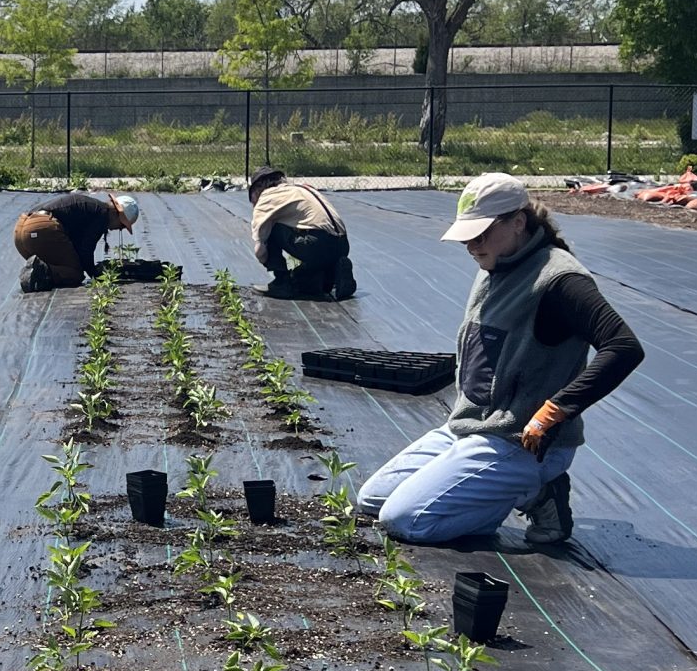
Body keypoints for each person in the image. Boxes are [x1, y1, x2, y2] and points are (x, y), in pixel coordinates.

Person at [355, 173, 643, 548]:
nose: (472, 245)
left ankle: (537, 491)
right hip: (471, 427)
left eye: (482, 233)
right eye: (467, 236)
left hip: (521, 439)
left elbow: (623, 346)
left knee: (407, 520)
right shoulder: (497, 264)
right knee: (372, 499)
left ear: (518, 222)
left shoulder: (558, 279)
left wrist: (555, 411)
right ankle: (504, 490)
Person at [246, 169, 356, 300]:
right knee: (305, 283)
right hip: (341, 246)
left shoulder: (267, 197)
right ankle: (334, 269)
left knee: (269, 228)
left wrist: (267, 260)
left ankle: (281, 283)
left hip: (316, 246)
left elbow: (260, 247)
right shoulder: (302, 189)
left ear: (258, 188)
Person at [13, 189, 140, 290]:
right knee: (74, 273)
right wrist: (96, 276)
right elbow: (85, 250)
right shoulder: (101, 214)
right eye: (122, 225)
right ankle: (37, 273)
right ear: (115, 213)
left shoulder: (91, 207)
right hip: (41, 229)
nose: (119, 229)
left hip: (21, 230)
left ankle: (39, 271)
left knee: (60, 266)